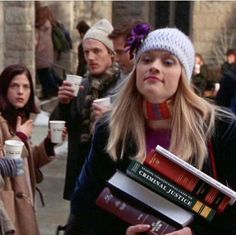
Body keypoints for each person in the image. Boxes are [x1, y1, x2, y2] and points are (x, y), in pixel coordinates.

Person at [65, 26, 236, 235]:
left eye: (168, 61)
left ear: (184, 74)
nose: (154, 67)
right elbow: (84, 207)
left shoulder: (220, 129)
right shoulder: (111, 129)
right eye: (146, 60)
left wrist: (195, 233)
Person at [50, 18, 120, 201]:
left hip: (110, 178)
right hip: (80, 176)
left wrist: (110, 119)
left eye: (96, 51)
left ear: (111, 53)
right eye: (86, 52)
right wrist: (64, 103)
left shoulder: (124, 87)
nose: (90, 57)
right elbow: (58, 126)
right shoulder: (81, 86)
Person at [0, 64, 64, 235]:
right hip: (8, 207)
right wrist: (19, 138)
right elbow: (3, 162)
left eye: (26, 87)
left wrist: (49, 143)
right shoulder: (1, 122)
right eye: (14, 86)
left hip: (24, 202)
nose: (21, 91)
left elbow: (28, 162)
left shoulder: (19, 118)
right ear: (4, 89)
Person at [35, 5, 61, 99]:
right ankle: (50, 91)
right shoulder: (48, 24)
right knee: (46, 74)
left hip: (41, 54)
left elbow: (36, 41)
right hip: (48, 54)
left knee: (44, 76)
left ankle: (51, 91)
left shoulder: (40, 26)